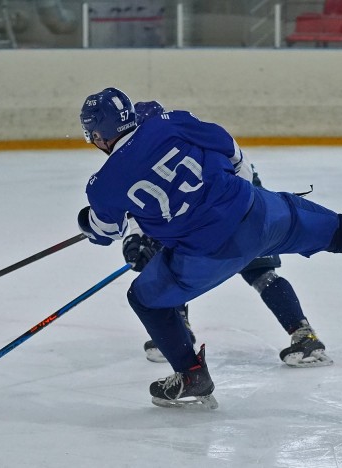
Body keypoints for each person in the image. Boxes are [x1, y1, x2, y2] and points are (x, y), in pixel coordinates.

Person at [77, 87, 342, 410]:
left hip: (207, 251)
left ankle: (191, 375)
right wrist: (239, 187)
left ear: (97, 134)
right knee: (337, 230)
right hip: (260, 211)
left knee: (146, 299)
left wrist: (92, 224)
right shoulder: (171, 123)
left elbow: (105, 230)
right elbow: (228, 148)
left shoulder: (104, 183)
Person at [125, 100, 331, 369]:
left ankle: (305, 336)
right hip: (234, 212)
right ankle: (180, 330)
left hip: (243, 208)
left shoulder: (189, 147)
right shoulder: (163, 148)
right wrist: (137, 235)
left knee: (250, 271)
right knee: (179, 265)